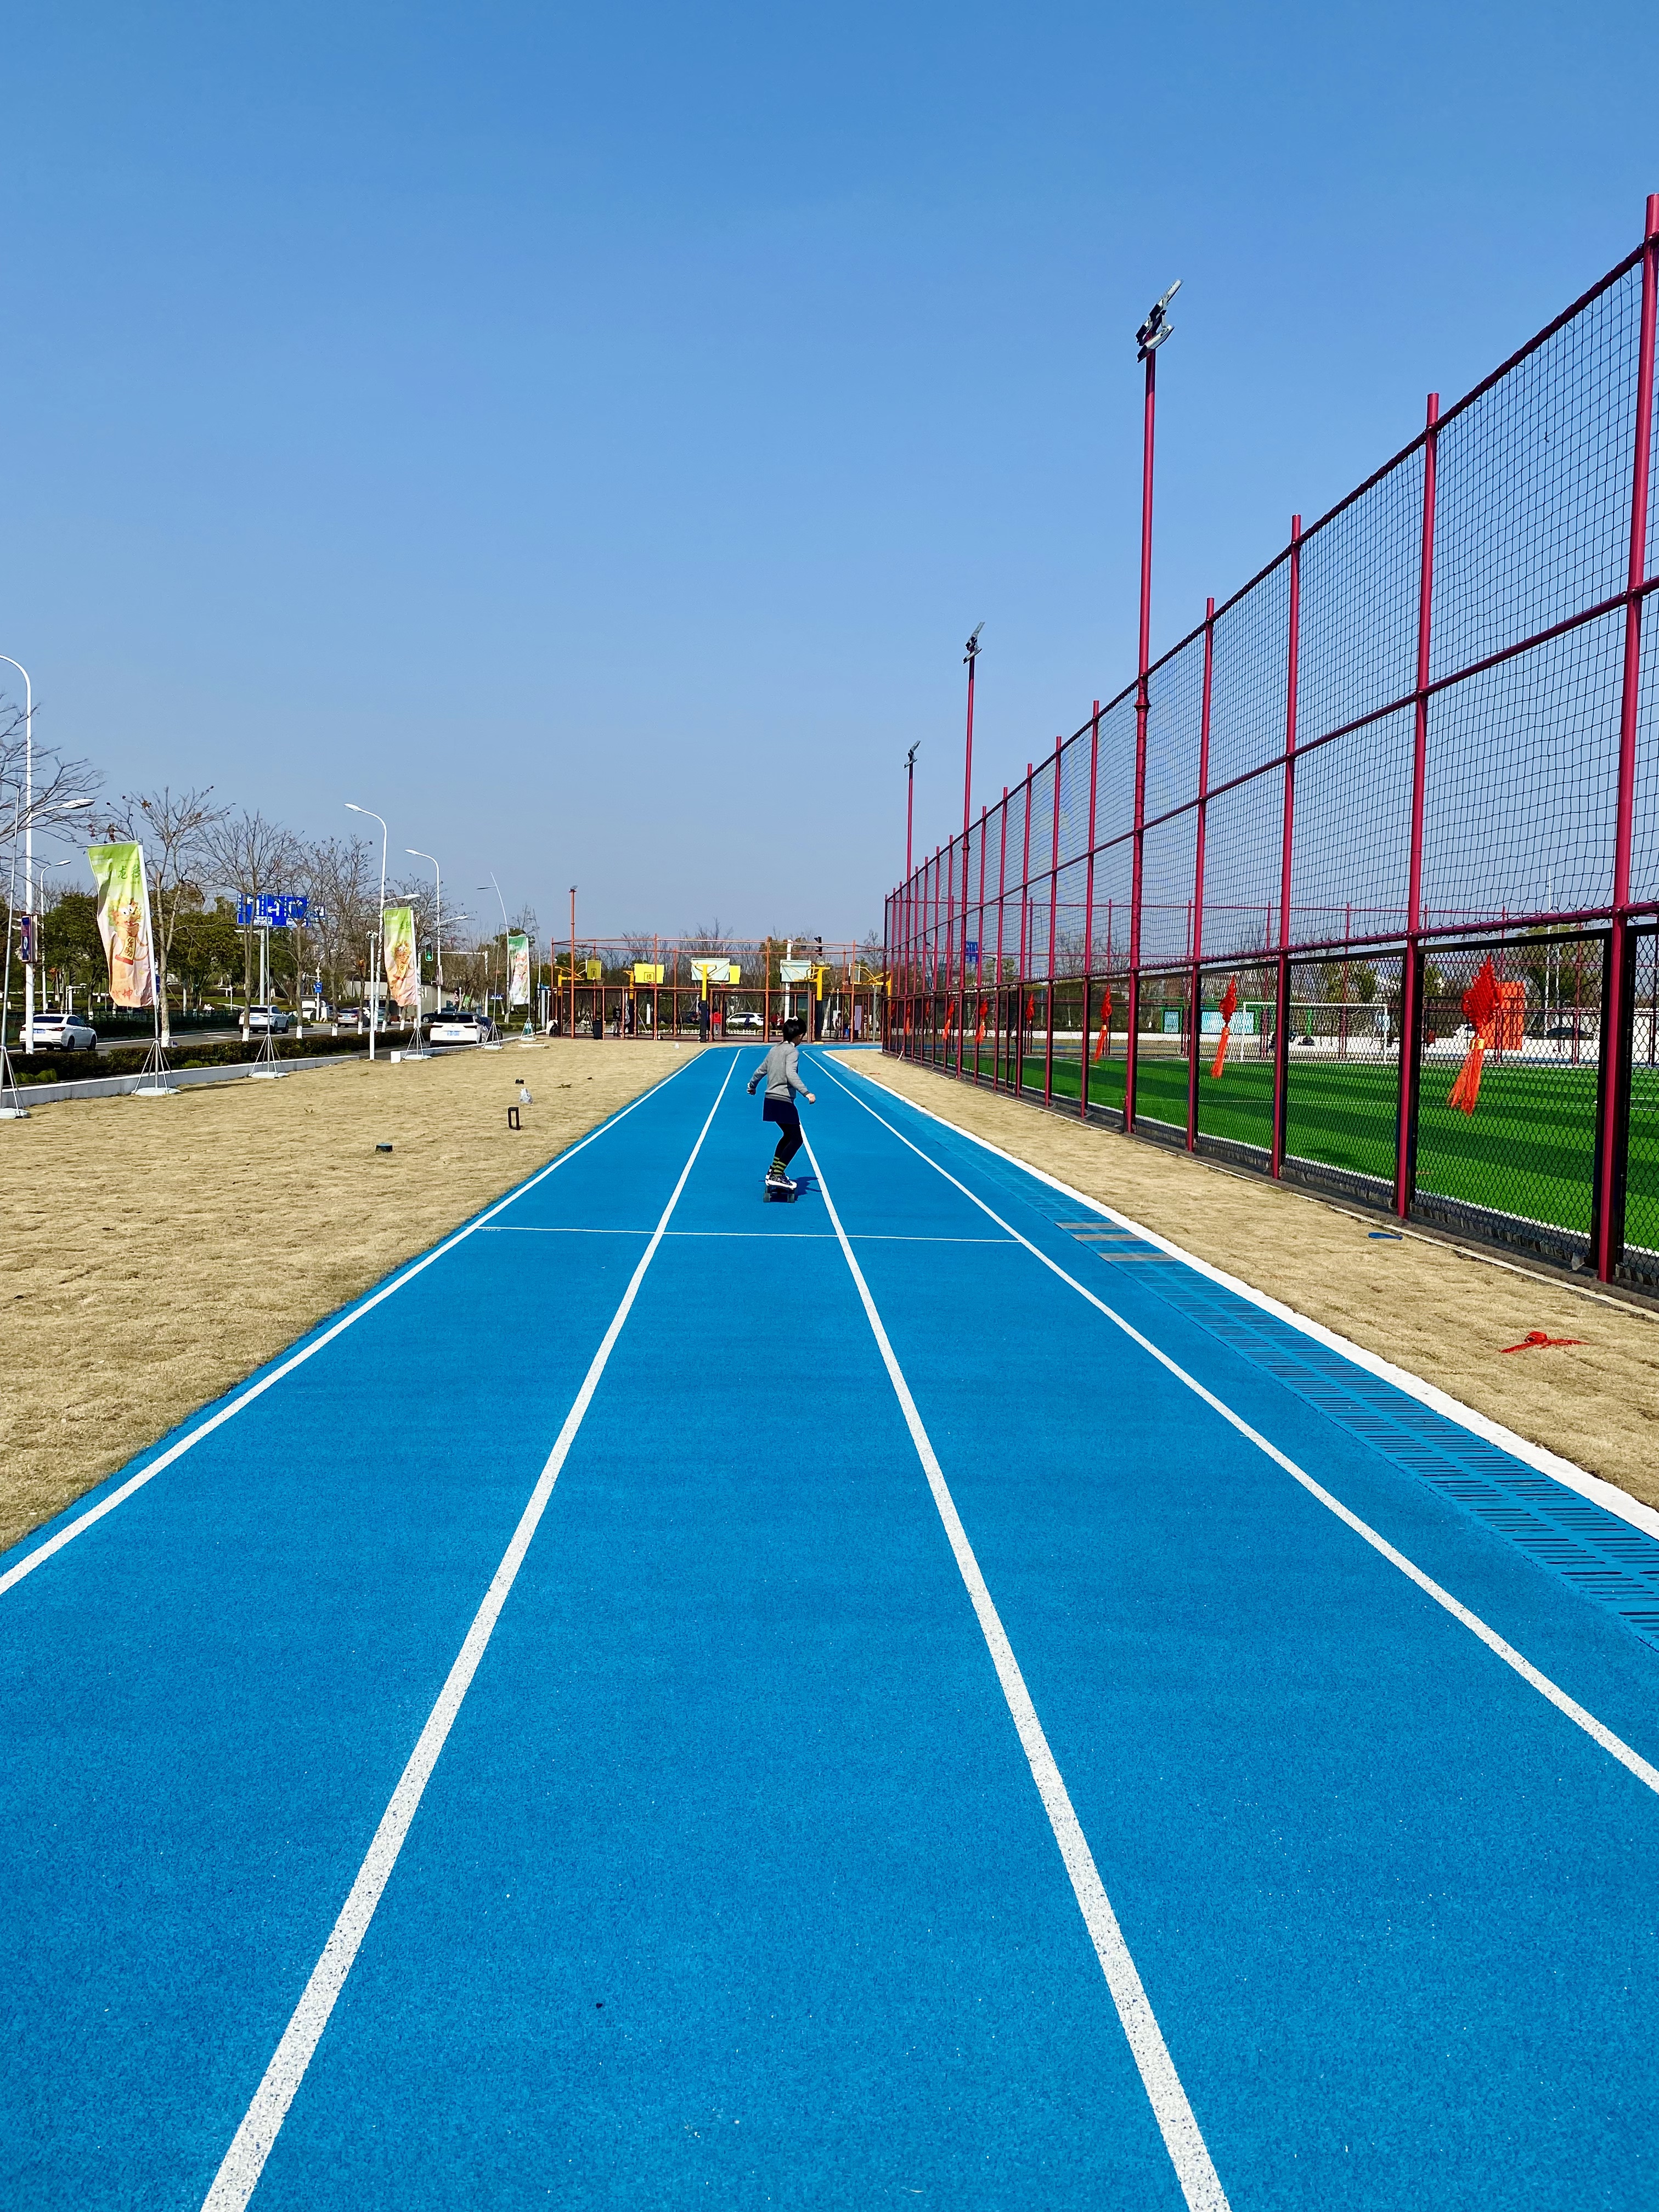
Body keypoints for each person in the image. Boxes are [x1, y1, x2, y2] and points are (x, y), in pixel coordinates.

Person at [747, 1015, 815, 1187]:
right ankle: (777, 1175)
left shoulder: (774, 1050)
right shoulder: (793, 1052)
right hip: (783, 1100)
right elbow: (791, 1074)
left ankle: (774, 1170)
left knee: (788, 1136)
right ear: (799, 1036)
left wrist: (752, 1085)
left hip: (770, 1100)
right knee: (797, 1139)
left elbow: (760, 1070)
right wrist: (806, 1093)